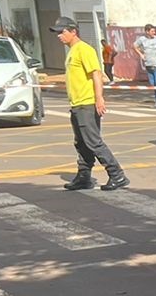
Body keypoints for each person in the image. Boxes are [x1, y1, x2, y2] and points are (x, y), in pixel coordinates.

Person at [51, 17, 128, 192]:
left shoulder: (84, 50)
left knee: (93, 142)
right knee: (82, 143)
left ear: (73, 31)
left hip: (87, 103)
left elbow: (96, 74)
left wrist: (99, 98)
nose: (59, 36)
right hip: (77, 104)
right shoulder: (72, 50)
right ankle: (84, 177)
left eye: (62, 32)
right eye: (58, 33)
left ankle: (117, 174)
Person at [135, 23, 156, 108]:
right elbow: (134, 46)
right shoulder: (142, 40)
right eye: (152, 31)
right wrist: (141, 54)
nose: (154, 32)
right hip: (149, 65)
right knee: (154, 85)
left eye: (154, 31)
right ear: (147, 32)